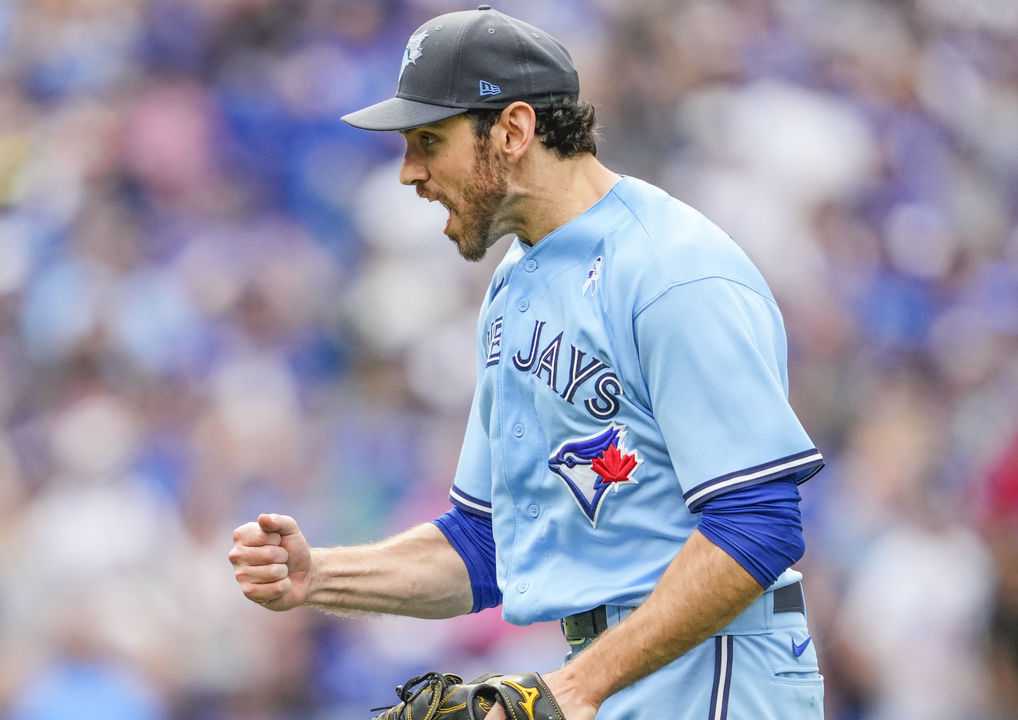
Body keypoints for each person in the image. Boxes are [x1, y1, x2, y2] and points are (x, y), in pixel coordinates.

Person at [227, 5, 825, 720]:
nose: (409, 173)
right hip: (615, 667)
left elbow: (758, 521)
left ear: (512, 132)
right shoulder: (515, 284)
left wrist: (577, 686)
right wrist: (321, 574)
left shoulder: (671, 270)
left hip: (718, 671)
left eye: (427, 140)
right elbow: (487, 547)